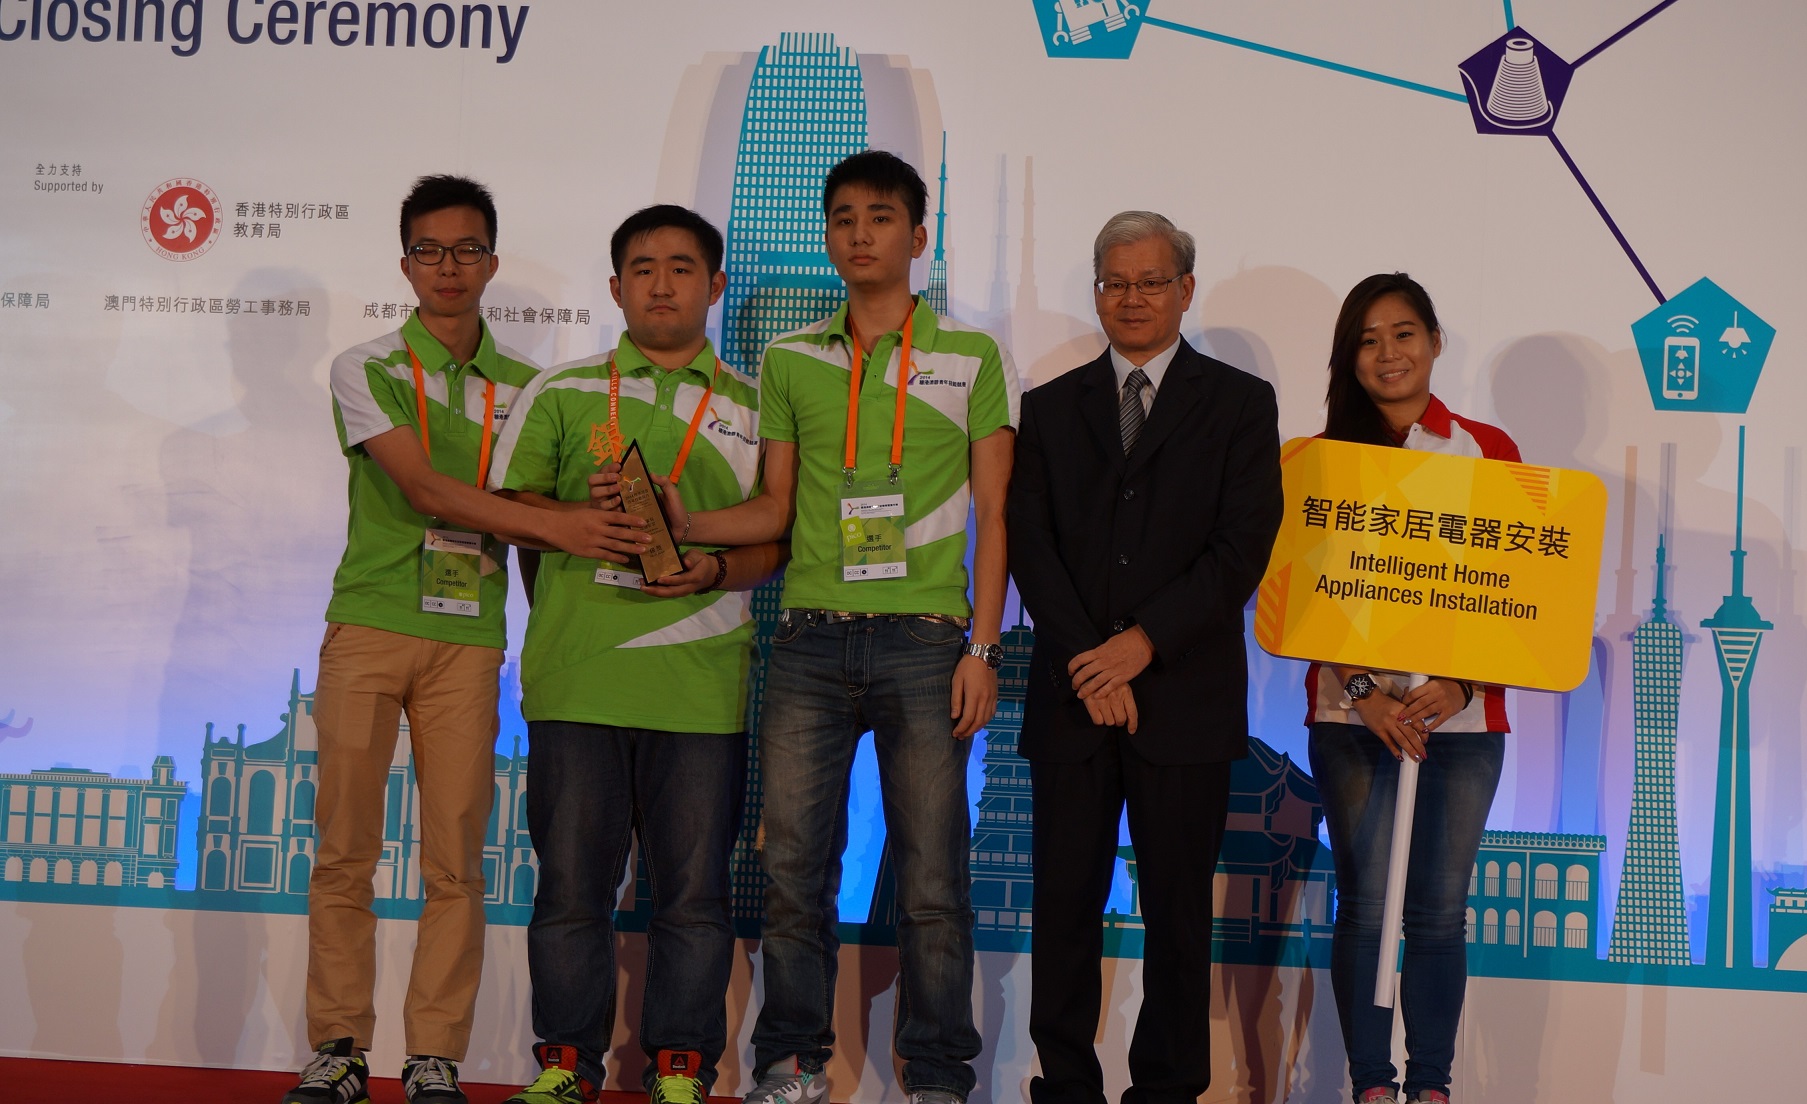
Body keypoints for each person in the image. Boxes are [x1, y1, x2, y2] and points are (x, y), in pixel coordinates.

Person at [668, 149, 1018, 1104]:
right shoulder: (789, 358)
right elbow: (775, 507)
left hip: (926, 643)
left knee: (933, 879)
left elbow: (998, 515)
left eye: (880, 216)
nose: (860, 234)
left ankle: (937, 1076)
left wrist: (983, 648)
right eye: (843, 218)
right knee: (793, 872)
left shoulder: (972, 356)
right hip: (810, 640)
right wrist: (684, 522)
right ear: (827, 235)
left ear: (918, 233)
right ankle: (791, 1064)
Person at [290, 175, 649, 1104]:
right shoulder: (366, 367)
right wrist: (562, 523)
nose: (447, 267)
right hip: (370, 625)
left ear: (490, 261)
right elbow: (424, 490)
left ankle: (434, 1057)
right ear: (404, 262)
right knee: (345, 851)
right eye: (429, 250)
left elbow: (530, 526)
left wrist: (565, 557)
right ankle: (337, 1048)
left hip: (470, 641)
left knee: (456, 858)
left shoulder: (530, 389)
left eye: (466, 250)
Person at [486, 205, 787, 1104]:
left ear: (716, 285)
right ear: (616, 287)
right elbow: (515, 515)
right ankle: (563, 1064)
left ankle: (681, 1067)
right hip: (578, 683)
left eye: (682, 268)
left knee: (694, 895)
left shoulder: (755, 406)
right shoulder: (564, 390)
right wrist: (574, 553)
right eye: (643, 269)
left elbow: (775, 545)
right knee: (571, 889)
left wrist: (711, 568)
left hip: (701, 687)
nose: (662, 284)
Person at [1006, 210, 1283, 1104]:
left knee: (1177, 915)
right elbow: (1030, 545)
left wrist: (1141, 644)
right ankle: (1066, 1084)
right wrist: (1091, 663)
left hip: (1184, 698)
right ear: (1096, 292)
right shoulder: (1049, 407)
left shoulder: (1240, 403)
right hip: (1072, 698)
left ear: (1185, 290)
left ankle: (1166, 1089)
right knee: (1062, 911)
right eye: (1114, 283)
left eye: (1151, 282)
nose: (1132, 298)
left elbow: (1241, 548)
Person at [1307, 272, 1517, 1104]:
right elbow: (1299, 593)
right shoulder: (1322, 458)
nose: (1387, 354)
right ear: (1347, 358)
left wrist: (1463, 683)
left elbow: (1518, 590)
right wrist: (1364, 691)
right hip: (1350, 716)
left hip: (1459, 723)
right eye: (1366, 340)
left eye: (1401, 334)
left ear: (1433, 341)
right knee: (1363, 906)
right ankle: (1370, 1085)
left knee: (1436, 911)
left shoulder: (1485, 449)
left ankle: (1430, 1085)